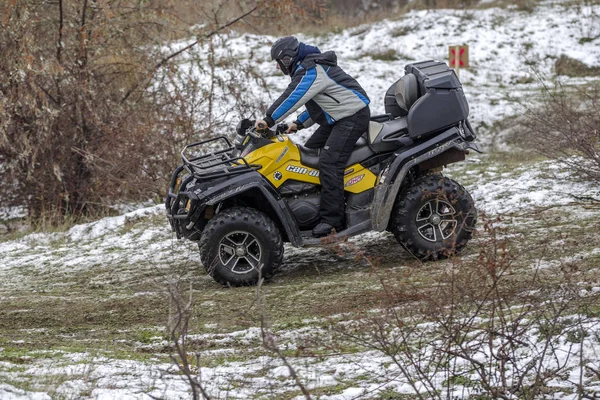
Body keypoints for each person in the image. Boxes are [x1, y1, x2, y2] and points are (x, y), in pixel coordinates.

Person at [255, 36, 371, 238]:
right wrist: (298, 124)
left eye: (278, 62)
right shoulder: (310, 67)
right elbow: (317, 101)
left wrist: (268, 119)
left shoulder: (311, 68)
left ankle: (332, 220)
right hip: (339, 116)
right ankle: (316, 206)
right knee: (308, 154)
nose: (277, 67)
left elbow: (294, 96)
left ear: (287, 59)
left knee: (329, 162)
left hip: (352, 116)